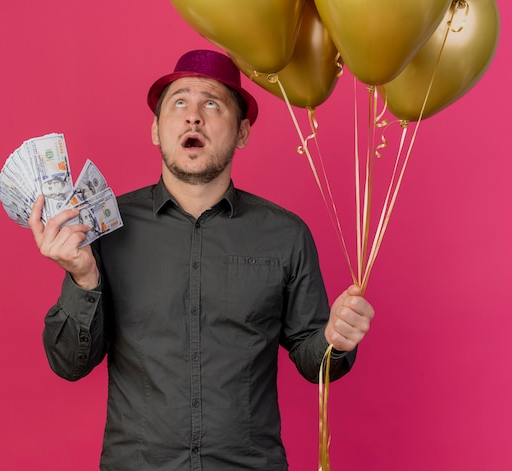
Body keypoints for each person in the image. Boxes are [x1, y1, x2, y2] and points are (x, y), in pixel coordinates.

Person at [29, 49, 375, 471]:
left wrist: (335, 339)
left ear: (242, 132)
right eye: (179, 103)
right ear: (156, 130)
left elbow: (313, 360)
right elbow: (68, 365)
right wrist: (83, 278)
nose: (194, 117)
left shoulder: (286, 235)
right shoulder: (104, 230)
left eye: (211, 103)